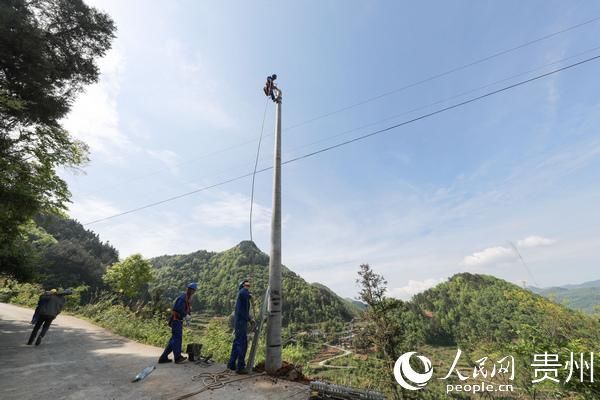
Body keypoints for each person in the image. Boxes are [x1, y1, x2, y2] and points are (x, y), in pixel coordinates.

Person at [158, 282, 197, 364]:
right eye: (192, 290)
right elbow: (177, 308)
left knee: (173, 340)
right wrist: (185, 315)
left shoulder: (187, 298)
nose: (193, 292)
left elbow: (187, 309)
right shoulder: (183, 298)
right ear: (189, 289)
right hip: (176, 321)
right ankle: (177, 357)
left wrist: (188, 317)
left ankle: (163, 357)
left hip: (178, 321)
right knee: (177, 339)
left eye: (194, 290)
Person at [227, 279, 252, 374]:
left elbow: (243, 309)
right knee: (242, 344)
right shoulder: (243, 292)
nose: (248, 287)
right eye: (246, 285)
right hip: (241, 323)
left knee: (237, 343)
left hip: (239, 323)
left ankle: (231, 364)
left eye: (249, 286)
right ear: (242, 286)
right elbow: (244, 311)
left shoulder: (241, 295)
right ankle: (240, 367)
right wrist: (249, 319)